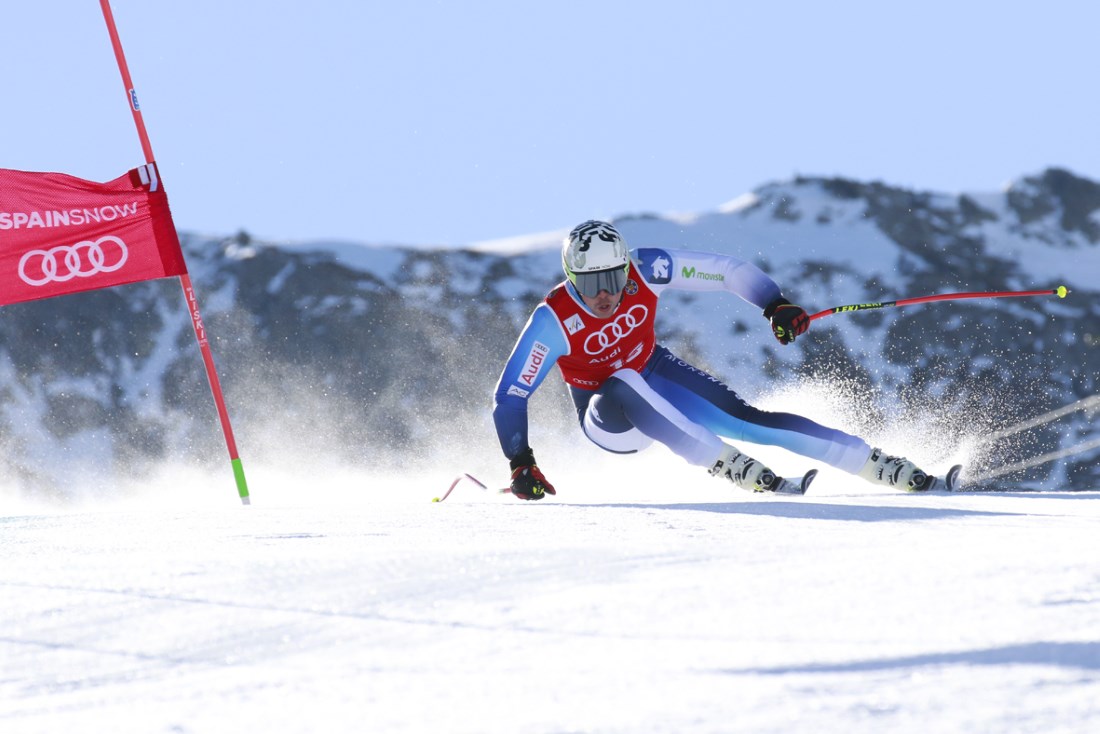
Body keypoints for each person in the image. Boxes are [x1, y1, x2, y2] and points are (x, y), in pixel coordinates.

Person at [492, 219, 935, 500]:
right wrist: (521, 462)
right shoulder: (554, 320)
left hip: (656, 373)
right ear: (571, 282)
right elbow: (510, 397)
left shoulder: (648, 269)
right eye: (590, 285)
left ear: (627, 268)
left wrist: (774, 304)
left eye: (612, 278)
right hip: (609, 419)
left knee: (747, 419)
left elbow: (725, 271)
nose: (604, 294)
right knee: (622, 379)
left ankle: (875, 463)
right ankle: (723, 461)